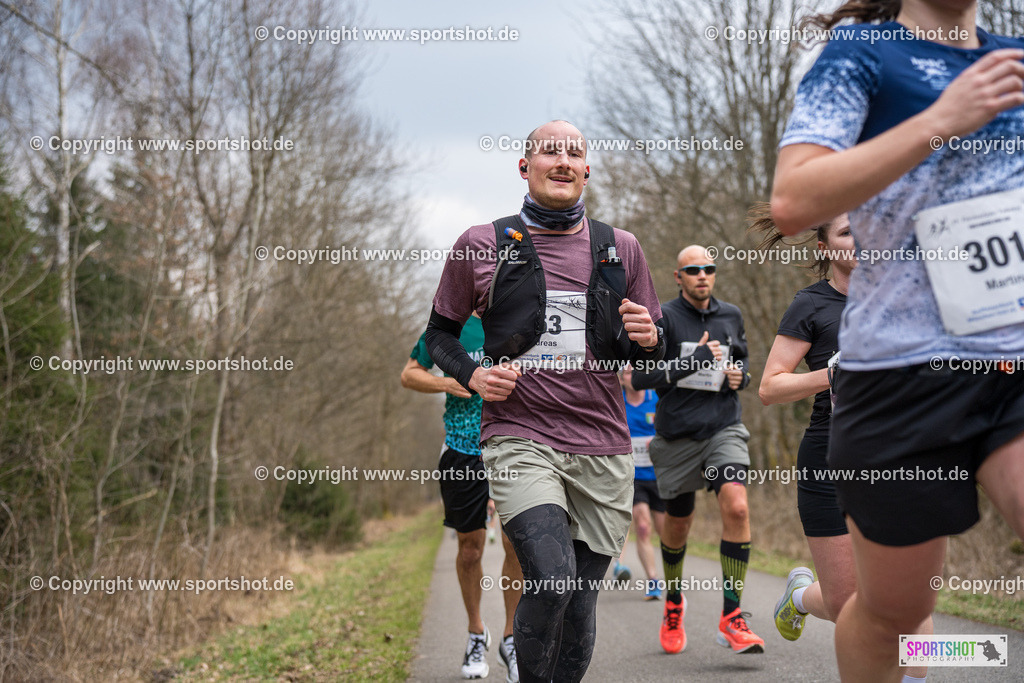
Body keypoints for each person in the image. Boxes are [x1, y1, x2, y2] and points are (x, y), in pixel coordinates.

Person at [771, 1, 1024, 679]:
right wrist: (942, 120)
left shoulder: (1014, 60)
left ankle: (965, 657)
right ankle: (812, 602)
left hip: (1010, 360)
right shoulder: (863, 56)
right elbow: (792, 200)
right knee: (892, 612)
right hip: (899, 379)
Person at [424, 120, 665, 683]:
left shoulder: (620, 248)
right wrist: (475, 376)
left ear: (586, 171)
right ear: (524, 167)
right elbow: (439, 334)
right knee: (551, 579)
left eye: (574, 152)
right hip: (519, 437)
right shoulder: (480, 243)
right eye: (549, 150)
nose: (563, 159)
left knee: (579, 603)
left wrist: (651, 339)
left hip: (604, 445)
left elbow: (651, 357)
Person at [754, 210, 930, 681]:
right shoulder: (811, 305)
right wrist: (831, 373)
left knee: (909, 605)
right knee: (846, 604)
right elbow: (770, 388)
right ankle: (799, 597)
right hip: (828, 461)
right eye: (848, 232)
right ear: (825, 247)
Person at [631, 246, 765, 655]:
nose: (702, 275)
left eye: (708, 268)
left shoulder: (732, 315)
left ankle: (732, 615)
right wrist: (695, 360)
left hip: (723, 428)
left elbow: (740, 362)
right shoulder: (665, 319)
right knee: (677, 525)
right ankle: (673, 602)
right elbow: (641, 374)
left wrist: (737, 377)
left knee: (737, 506)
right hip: (676, 439)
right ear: (679, 276)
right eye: (693, 270)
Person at [401, 313, 522, 681]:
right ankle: (475, 633)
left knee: (516, 542)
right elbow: (409, 373)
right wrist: (446, 383)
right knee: (470, 549)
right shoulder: (448, 325)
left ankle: (512, 638)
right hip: (462, 448)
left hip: (516, 445)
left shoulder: (522, 313)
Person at [614, 363, 666, 600]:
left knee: (668, 533)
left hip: (660, 475)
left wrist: (657, 442)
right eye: (626, 372)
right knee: (643, 527)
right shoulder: (617, 401)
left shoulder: (656, 397)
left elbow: (671, 428)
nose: (631, 375)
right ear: (622, 379)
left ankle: (674, 579)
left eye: (634, 371)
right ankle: (653, 581)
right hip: (633, 477)